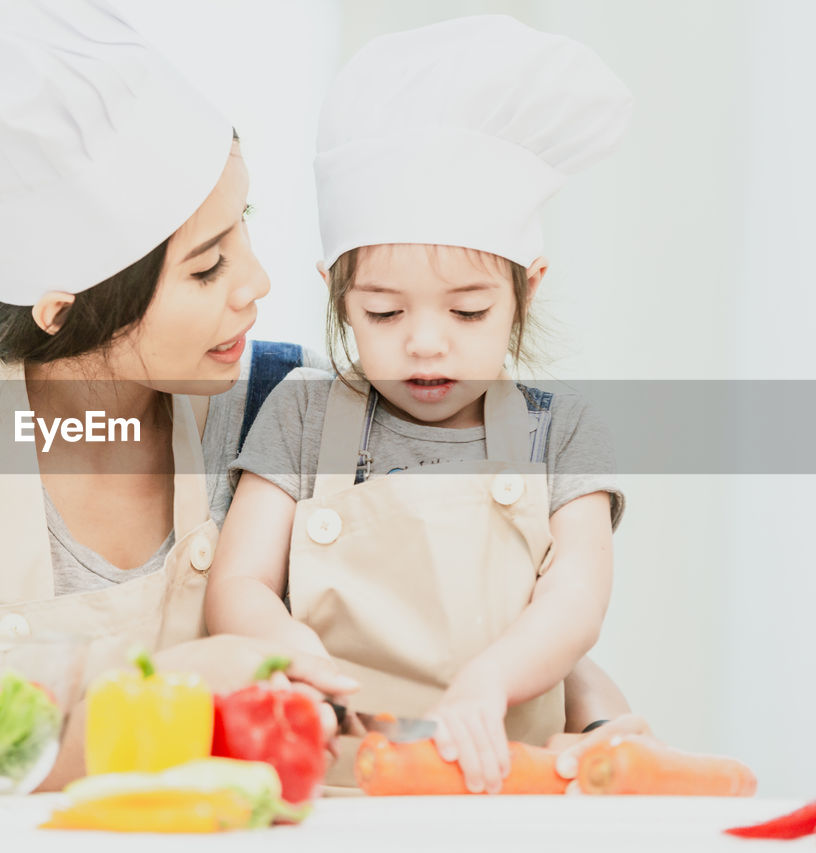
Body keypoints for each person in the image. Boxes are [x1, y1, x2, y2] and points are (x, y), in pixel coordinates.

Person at [0, 1, 647, 790]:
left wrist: (594, 710)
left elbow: (476, 586)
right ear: (66, 307)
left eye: (244, 225)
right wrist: (181, 685)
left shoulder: (290, 400)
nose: (257, 282)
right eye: (207, 266)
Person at [206, 15, 633, 793]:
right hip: (331, 787)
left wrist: (492, 680)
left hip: (505, 785)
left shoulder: (561, 431)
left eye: (467, 312)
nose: (425, 344)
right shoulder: (302, 420)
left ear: (525, 291)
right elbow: (237, 584)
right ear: (338, 299)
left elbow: (576, 598)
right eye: (385, 313)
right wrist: (294, 653)